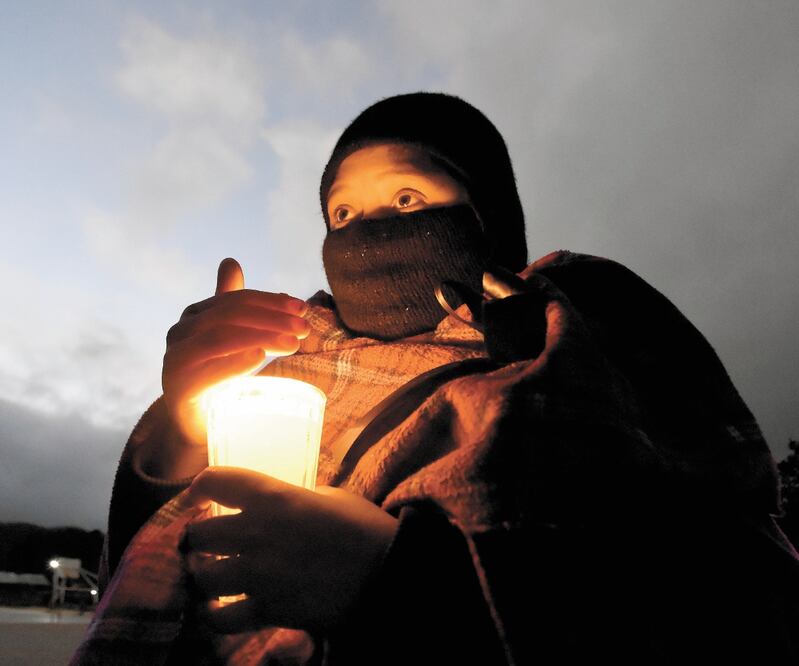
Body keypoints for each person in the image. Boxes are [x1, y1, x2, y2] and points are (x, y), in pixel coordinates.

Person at [81, 92, 798, 665]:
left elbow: (736, 589)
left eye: (405, 200)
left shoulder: (583, 328)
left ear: (488, 211)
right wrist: (182, 423)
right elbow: (152, 575)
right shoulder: (292, 368)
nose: (367, 228)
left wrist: (400, 584)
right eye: (342, 211)